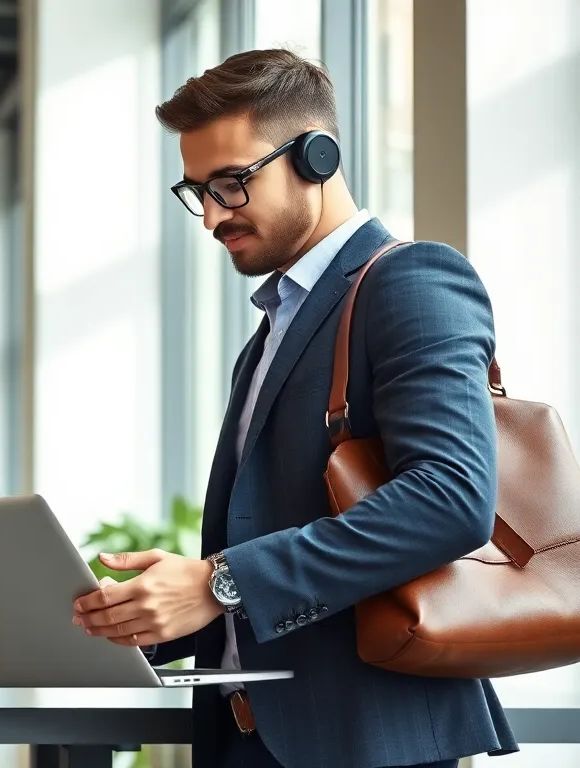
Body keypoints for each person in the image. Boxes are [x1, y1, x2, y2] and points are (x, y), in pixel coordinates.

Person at [71, 49, 518, 768]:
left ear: (317, 156)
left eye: (232, 183)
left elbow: (451, 497)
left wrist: (223, 581)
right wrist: (163, 610)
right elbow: (275, 533)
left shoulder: (411, 280)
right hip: (251, 736)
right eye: (198, 190)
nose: (213, 215)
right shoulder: (275, 326)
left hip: (368, 739)